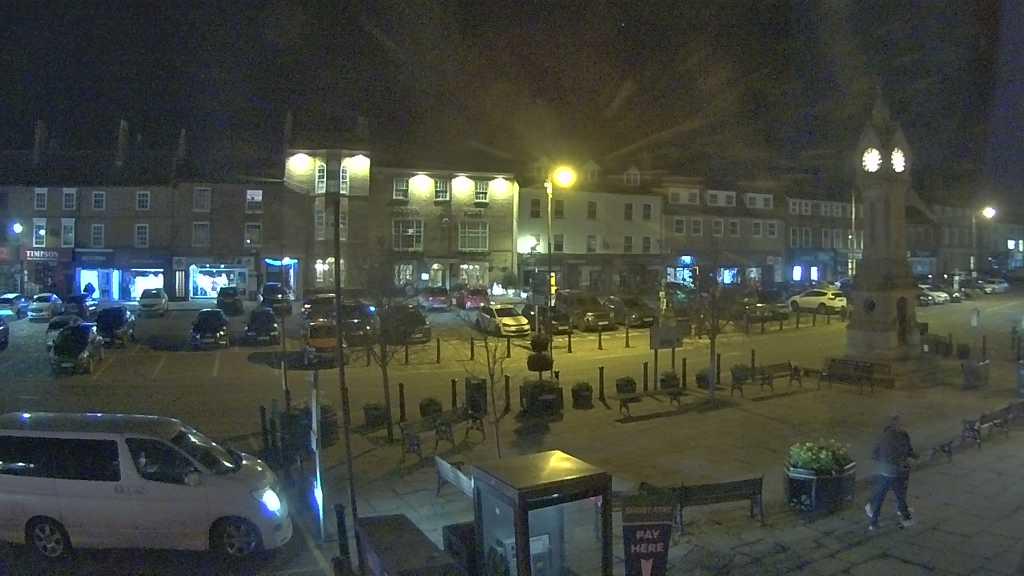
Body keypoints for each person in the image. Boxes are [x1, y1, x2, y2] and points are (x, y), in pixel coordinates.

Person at [866, 415, 918, 530]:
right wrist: (914, 457)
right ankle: (906, 517)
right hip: (896, 470)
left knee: (880, 496)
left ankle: (873, 523)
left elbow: (874, 454)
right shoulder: (902, 436)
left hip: (884, 470)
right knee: (900, 495)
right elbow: (907, 451)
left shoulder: (882, 436)